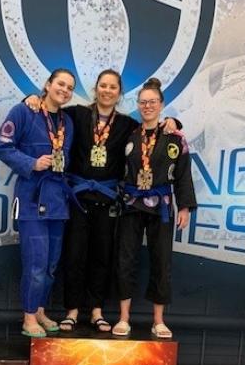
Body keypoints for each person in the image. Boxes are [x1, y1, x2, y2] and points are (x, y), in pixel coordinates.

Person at [25, 70, 179, 333]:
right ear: (96, 89)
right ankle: (72, 310)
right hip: (77, 198)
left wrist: (173, 122)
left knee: (102, 256)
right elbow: (50, 111)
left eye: (113, 87)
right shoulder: (76, 114)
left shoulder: (127, 125)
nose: (107, 91)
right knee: (74, 255)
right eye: (103, 86)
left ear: (119, 93)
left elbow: (151, 131)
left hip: (108, 200)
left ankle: (96, 310)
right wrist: (31, 98)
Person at [0, 69, 76, 337]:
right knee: (36, 263)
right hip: (31, 199)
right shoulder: (24, 111)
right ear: (48, 84)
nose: (64, 90)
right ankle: (28, 317)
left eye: (70, 87)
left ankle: (40, 310)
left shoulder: (67, 122)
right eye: (60, 84)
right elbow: (2, 147)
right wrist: (32, 163)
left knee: (51, 265)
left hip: (58, 200)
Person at [113, 78, 196, 339]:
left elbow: (183, 174)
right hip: (131, 203)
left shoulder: (175, 137)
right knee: (125, 259)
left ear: (161, 105)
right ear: (138, 105)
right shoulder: (129, 134)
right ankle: (123, 318)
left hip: (162, 206)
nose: (147, 106)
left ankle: (158, 320)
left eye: (152, 102)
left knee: (162, 261)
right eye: (143, 102)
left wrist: (185, 206)